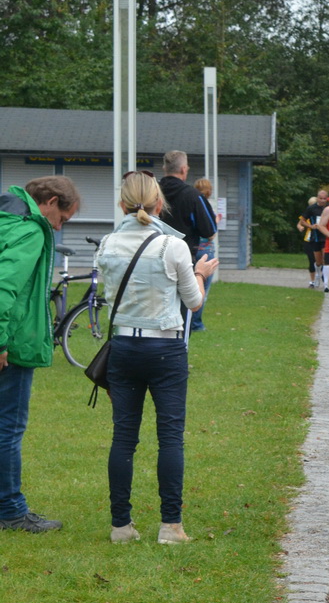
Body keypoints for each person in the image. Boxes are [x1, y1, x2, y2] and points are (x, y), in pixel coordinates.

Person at [96, 171, 215, 544]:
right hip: (164, 349)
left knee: (123, 437)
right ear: (160, 204)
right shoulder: (171, 245)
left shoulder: (107, 243)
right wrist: (199, 272)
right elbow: (194, 302)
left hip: (124, 348)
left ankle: (120, 526)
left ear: (122, 204)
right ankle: (170, 525)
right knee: (170, 439)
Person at [0, 175, 80, 533]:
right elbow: (4, 286)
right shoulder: (30, 231)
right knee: (8, 429)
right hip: (12, 346)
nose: (60, 228)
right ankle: (11, 511)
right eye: (63, 219)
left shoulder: (6, 218)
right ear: (49, 201)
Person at [157, 151, 216, 250]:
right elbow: (209, 230)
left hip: (155, 253)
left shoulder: (152, 192)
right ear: (183, 169)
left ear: (164, 168)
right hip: (184, 255)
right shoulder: (194, 196)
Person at [185, 177, 219, 333]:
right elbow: (210, 232)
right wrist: (216, 221)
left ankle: (185, 320)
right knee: (202, 289)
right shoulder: (207, 207)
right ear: (209, 191)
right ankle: (196, 324)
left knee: (187, 286)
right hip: (205, 249)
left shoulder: (189, 204)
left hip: (191, 248)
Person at [298, 191, 328, 288]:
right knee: (317, 262)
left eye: (325, 199)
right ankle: (318, 276)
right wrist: (310, 226)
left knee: (326, 260)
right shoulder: (311, 208)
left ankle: (327, 283)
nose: (323, 200)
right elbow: (302, 221)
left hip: (326, 237)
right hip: (315, 238)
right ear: (317, 198)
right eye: (321, 198)